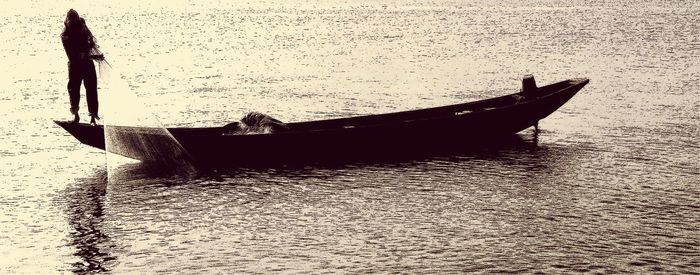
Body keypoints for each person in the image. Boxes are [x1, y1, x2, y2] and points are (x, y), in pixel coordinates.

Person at [61, 9, 104, 125]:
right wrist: (81, 54)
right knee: (73, 89)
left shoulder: (83, 25)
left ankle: (93, 118)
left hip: (87, 63)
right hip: (74, 65)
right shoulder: (65, 35)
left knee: (91, 89)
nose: (75, 24)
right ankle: (76, 115)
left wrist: (94, 52)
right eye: (72, 22)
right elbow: (70, 54)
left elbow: (90, 41)